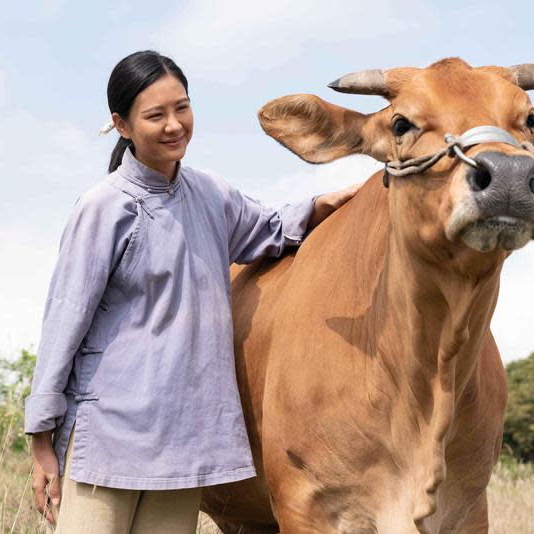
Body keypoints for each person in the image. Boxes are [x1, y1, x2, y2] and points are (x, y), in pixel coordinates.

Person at [24, 50, 362, 533]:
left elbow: (269, 228)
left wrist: (323, 204)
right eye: (155, 115)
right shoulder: (103, 207)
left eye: (181, 108)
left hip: (186, 442)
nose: (174, 125)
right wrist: (42, 434)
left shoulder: (211, 195)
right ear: (121, 125)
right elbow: (65, 318)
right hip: (110, 439)